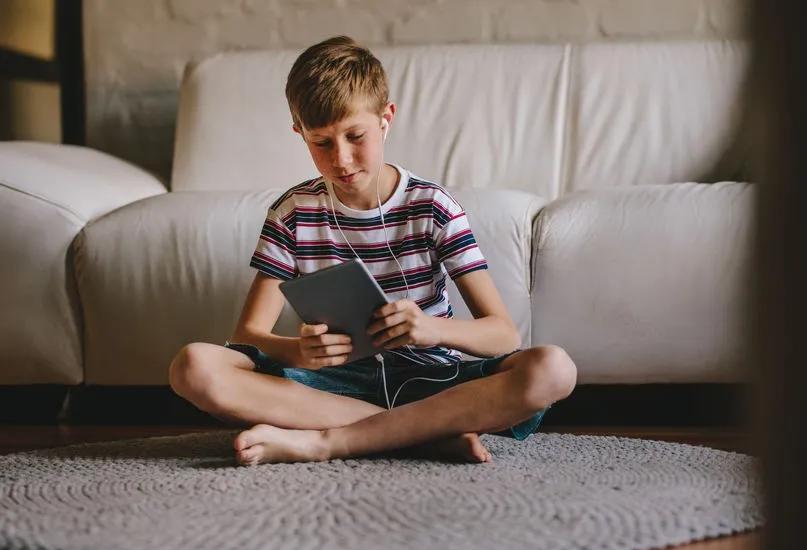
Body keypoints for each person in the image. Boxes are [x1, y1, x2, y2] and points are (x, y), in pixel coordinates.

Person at [168, 36, 577, 466]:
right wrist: (298, 350)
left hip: (433, 377)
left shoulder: (433, 207)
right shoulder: (293, 214)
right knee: (193, 366)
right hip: (332, 385)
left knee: (553, 369)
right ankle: (425, 433)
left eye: (354, 135)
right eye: (321, 143)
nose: (341, 159)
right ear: (299, 134)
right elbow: (248, 336)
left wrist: (430, 329)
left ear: (386, 118)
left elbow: (503, 334)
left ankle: (330, 442)